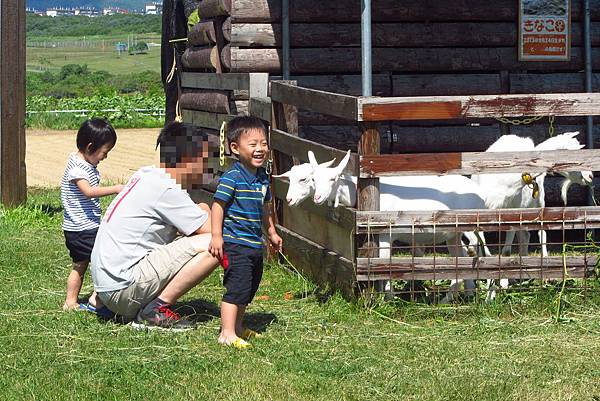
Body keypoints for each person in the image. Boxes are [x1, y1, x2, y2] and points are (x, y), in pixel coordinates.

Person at [90, 121, 219, 330]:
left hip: (106, 289)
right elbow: (212, 232)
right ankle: (155, 310)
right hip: (122, 289)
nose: (207, 168)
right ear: (187, 160)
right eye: (204, 160)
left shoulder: (146, 175)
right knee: (215, 244)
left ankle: (119, 305)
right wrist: (207, 207)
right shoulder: (167, 189)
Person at [209, 116, 283, 349]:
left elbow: (265, 208)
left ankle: (239, 327)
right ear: (235, 148)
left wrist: (271, 232)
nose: (260, 149)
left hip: (254, 243)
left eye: (263, 143)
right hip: (235, 242)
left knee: (249, 288)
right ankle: (227, 333)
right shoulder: (232, 177)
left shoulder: (262, 178)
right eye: (253, 144)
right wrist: (216, 236)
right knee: (237, 287)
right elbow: (217, 206)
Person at [61, 118, 123, 312]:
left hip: (80, 228)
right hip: (82, 229)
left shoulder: (80, 161)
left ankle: (71, 302)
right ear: (89, 147)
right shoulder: (78, 168)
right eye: (104, 152)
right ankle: (96, 298)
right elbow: (88, 191)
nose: (104, 157)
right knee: (98, 261)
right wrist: (115, 189)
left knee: (81, 264)